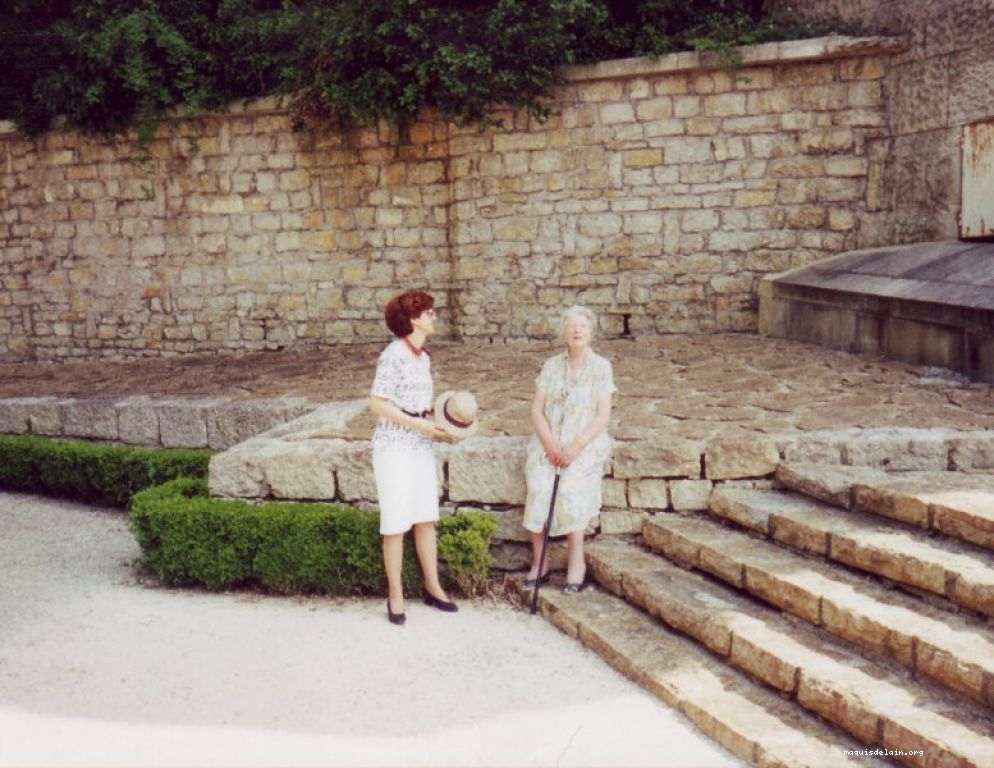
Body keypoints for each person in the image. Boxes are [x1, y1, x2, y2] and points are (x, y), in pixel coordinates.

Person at [370, 290, 458, 625]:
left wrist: (436, 422)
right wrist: (418, 424)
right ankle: (395, 595)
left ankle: (432, 586)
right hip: (394, 447)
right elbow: (378, 404)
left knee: (425, 517)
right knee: (395, 522)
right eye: (429, 312)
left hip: (420, 446)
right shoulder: (394, 355)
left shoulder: (423, 358)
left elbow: (419, 403)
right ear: (412, 320)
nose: (434, 316)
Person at [523, 305, 616, 592]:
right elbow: (537, 411)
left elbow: (603, 415)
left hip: (584, 443)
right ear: (564, 333)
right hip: (549, 442)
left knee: (570, 490)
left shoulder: (601, 367)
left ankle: (577, 563)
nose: (577, 330)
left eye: (583, 326)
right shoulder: (552, 366)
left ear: (591, 333)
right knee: (539, 485)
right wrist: (550, 445)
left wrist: (575, 447)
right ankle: (541, 561)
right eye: (572, 326)